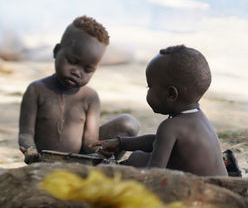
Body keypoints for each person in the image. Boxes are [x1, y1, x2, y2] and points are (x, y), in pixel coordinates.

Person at [92, 45, 227, 176]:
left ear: (170, 94)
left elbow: (154, 175)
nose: (148, 90)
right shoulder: (199, 119)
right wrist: (121, 142)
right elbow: (158, 141)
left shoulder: (170, 127)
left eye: (149, 86)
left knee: (137, 159)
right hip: (218, 186)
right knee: (139, 157)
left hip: (197, 192)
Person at [18, 16, 139, 162]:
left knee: (128, 123)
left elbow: (90, 141)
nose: (77, 72)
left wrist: (100, 152)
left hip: (78, 162)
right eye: (73, 62)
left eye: (88, 69)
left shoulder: (90, 97)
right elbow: (26, 134)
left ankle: (104, 168)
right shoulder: (36, 90)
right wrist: (30, 152)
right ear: (57, 51)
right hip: (43, 162)